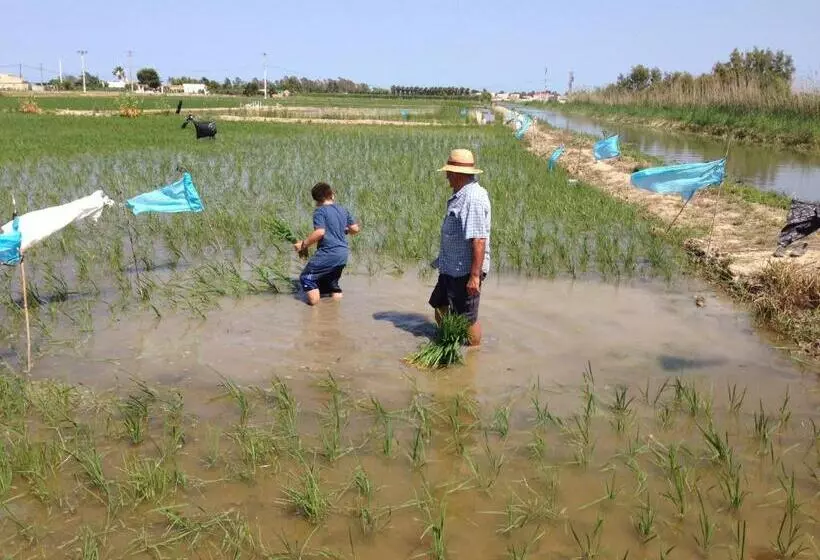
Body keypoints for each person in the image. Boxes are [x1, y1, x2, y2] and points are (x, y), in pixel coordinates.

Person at [429, 149, 491, 346]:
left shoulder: (473, 198)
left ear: (457, 174)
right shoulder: (461, 195)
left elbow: (479, 240)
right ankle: (448, 340)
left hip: (464, 271)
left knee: (467, 319)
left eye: (448, 172)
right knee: (439, 304)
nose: (446, 176)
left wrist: (474, 277)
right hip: (450, 267)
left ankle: (473, 354)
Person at [293, 182, 360, 305]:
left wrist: (303, 244)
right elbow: (355, 229)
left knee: (306, 278)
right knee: (331, 285)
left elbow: (320, 232)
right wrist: (342, 229)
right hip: (342, 255)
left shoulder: (320, 211)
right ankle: (334, 310)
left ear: (316, 200)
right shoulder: (343, 210)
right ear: (331, 195)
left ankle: (314, 309)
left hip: (328, 253)